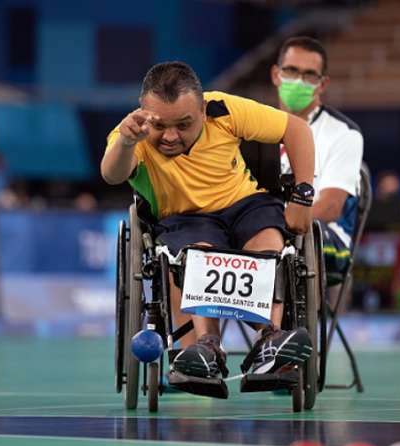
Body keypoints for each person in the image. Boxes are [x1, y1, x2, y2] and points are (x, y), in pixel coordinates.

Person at [101, 61, 316, 395]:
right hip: (186, 219)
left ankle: (270, 340)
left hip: (245, 205)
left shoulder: (223, 109)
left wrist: (302, 196)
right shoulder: (132, 134)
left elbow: (297, 129)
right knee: (198, 255)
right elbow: (111, 174)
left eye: (184, 124)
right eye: (160, 126)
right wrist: (127, 142)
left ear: (202, 110)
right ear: (145, 115)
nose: (170, 136)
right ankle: (207, 347)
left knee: (268, 242)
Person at [270, 36, 364, 285]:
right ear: (275, 74)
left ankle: (284, 324)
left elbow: (330, 208)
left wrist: (273, 226)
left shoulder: (344, 134)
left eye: (309, 75)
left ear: (322, 85)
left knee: (299, 238)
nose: (299, 81)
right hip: (264, 232)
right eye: (291, 71)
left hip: (326, 240)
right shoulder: (254, 127)